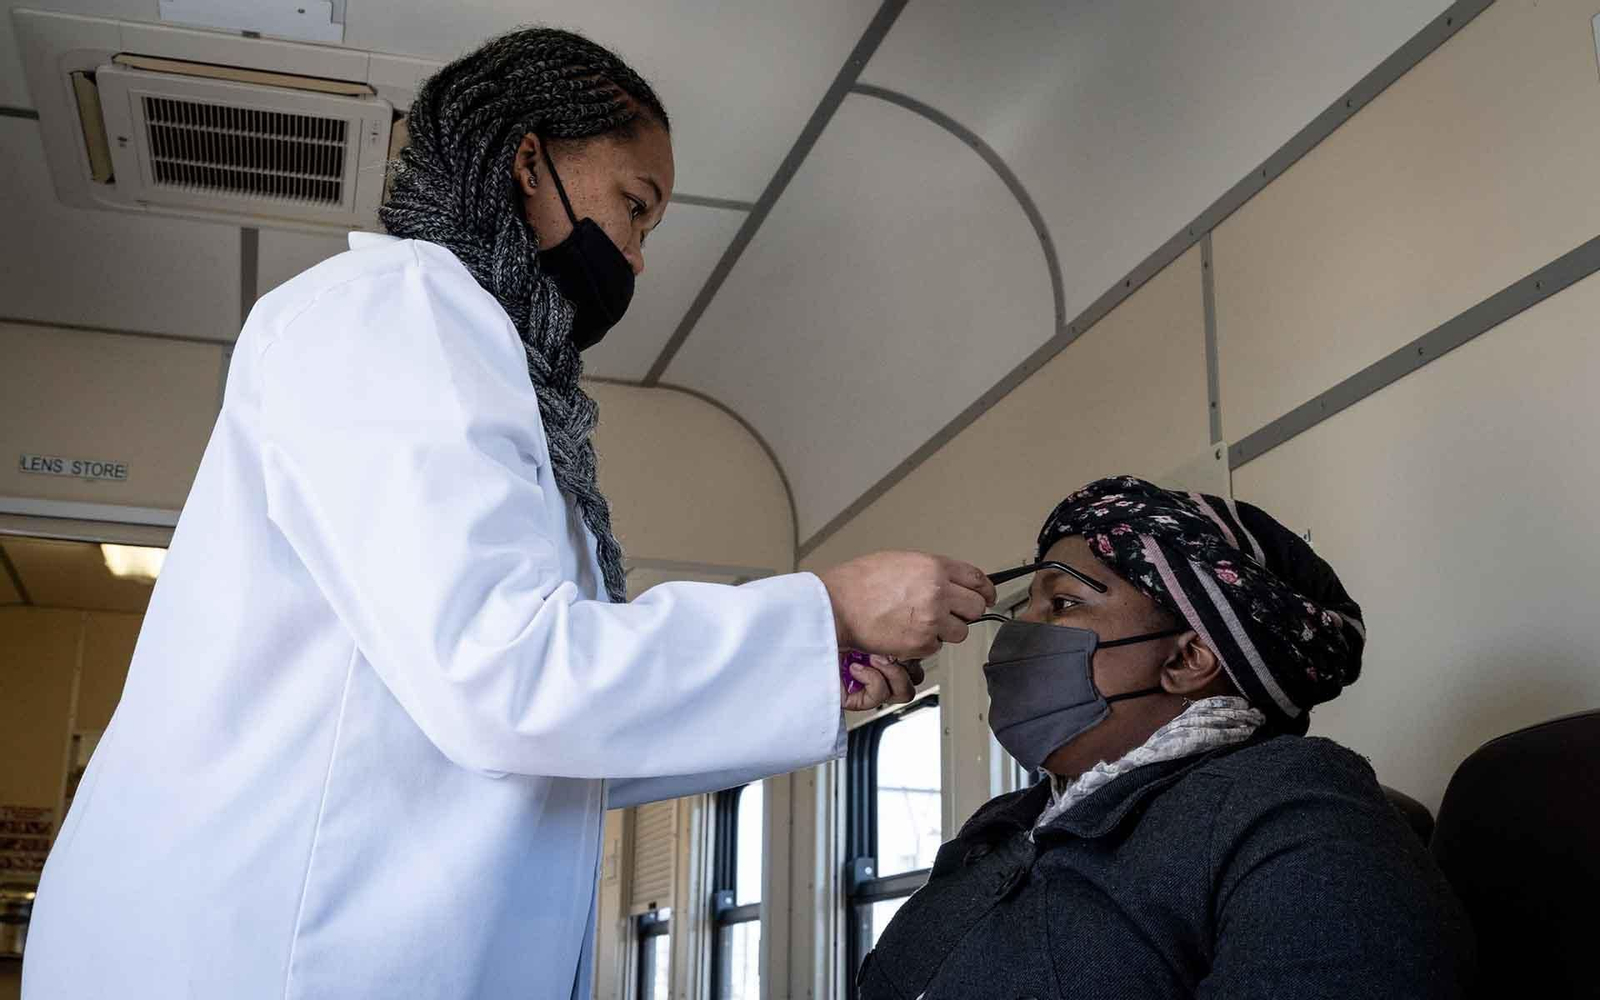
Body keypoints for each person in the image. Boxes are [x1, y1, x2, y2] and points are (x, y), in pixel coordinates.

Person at [21, 28, 996, 1000]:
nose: (637, 259)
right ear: (528, 160)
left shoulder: (477, 369)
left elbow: (552, 751)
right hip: (263, 949)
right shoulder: (393, 310)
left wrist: (802, 681)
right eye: (635, 207)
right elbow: (506, 679)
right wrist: (820, 606)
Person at [858, 476, 1473, 999]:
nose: (1019, 628)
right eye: (1029, 605)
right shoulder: (1007, 822)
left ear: (1189, 659)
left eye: (1063, 602)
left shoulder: (1294, 809)